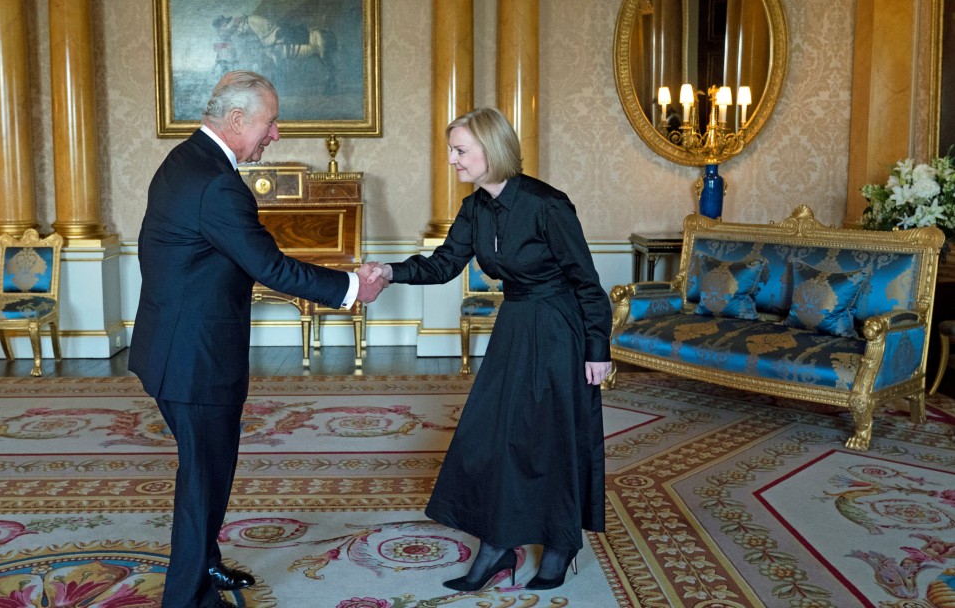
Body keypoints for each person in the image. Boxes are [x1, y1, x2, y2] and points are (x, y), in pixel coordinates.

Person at [129, 70, 386, 608]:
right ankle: (187, 599)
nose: (276, 134)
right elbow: (271, 267)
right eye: (270, 123)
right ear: (239, 119)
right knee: (203, 479)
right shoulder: (217, 183)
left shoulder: (186, 160)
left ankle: (205, 564)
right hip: (194, 360)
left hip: (174, 345)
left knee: (210, 470)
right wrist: (351, 288)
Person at [359, 107, 611, 592]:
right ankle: (497, 545)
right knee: (494, 435)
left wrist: (597, 348)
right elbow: (443, 264)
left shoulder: (547, 204)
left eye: (460, 150)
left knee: (552, 436)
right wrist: (390, 271)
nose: (452, 159)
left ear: (490, 150)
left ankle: (559, 545)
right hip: (515, 324)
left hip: (560, 328)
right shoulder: (475, 208)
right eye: (451, 150)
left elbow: (587, 282)